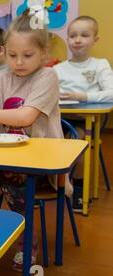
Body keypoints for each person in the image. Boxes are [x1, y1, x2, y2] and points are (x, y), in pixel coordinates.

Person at [0, 9, 69, 272]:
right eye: (12, 55)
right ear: (4, 51)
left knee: (15, 182)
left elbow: (26, 117)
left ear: (43, 53)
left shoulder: (47, 77)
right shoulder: (2, 78)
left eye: (28, 55)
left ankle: (27, 244)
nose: (19, 62)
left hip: (40, 161)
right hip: (5, 156)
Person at [54, 16, 113, 211]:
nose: (77, 40)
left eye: (84, 35)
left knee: (78, 141)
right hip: (57, 119)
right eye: (72, 36)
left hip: (84, 121)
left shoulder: (99, 65)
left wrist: (83, 95)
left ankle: (75, 186)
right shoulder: (58, 68)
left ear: (95, 39)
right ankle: (49, 182)